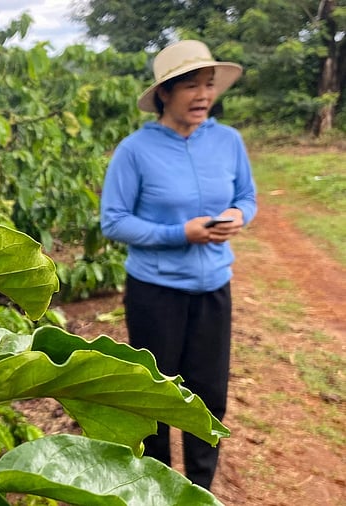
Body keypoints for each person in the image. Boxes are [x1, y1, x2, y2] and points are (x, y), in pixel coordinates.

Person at [99, 39, 258, 490]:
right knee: (156, 395)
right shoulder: (135, 150)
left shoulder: (228, 142)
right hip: (156, 293)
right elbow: (114, 221)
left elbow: (246, 196)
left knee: (208, 395)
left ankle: (200, 490)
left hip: (213, 290)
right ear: (164, 93)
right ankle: (158, 488)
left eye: (208, 85)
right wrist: (178, 234)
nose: (203, 95)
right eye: (191, 85)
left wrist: (237, 216)